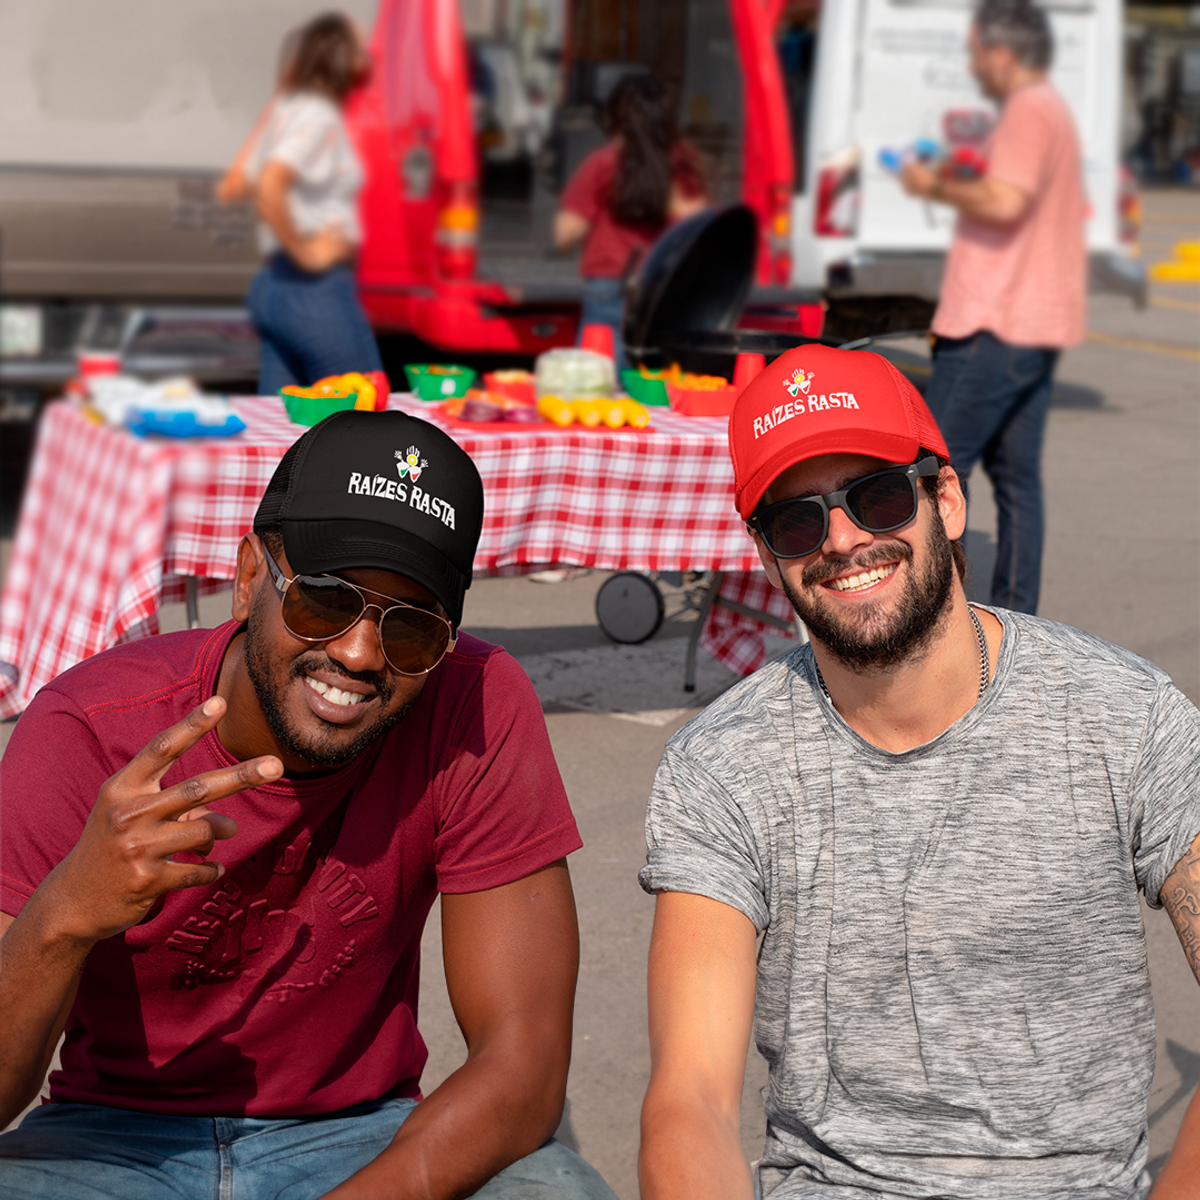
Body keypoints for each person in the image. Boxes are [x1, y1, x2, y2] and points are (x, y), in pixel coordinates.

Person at [0, 410, 616, 1200]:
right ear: (250, 576)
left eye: (413, 629)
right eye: (325, 601)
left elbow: (523, 1066)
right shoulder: (88, 730)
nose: (359, 654)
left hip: (359, 1135)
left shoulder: (474, 702)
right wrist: (65, 913)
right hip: (111, 1141)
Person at [637, 343, 1200, 1200]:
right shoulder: (723, 767)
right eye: (797, 520)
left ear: (945, 499)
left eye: (878, 496)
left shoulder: (1123, 715)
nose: (843, 540)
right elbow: (690, 1101)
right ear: (766, 556)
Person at [900, 0, 1086, 615]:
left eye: (978, 51)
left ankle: (934, 620)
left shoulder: (1028, 113)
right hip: (1032, 327)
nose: (975, 63)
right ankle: (1016, 620)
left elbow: (1005, 203)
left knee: (931, 478)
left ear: (1003, 52)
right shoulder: (1051, 112)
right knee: (1018, 487)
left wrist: (933, 186)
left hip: (992, 326)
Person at [237, 13, 386, 395]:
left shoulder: (289, 111)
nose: (370, 58)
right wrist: (308, 254)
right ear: (339, 57)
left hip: (274, 288)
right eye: (360, 49)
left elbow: (250, 177)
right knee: (366, 417)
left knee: (286, 433)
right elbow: (269, 184)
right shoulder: (318, 118)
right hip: (313, 291)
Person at [554, 74, 709, 373]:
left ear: (614, 117)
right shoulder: (684, 165)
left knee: (594, 387)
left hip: (608, 286)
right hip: (664, 291)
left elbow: (565, 234)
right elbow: (698, 231)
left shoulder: (602, 163)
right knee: (657, 391)